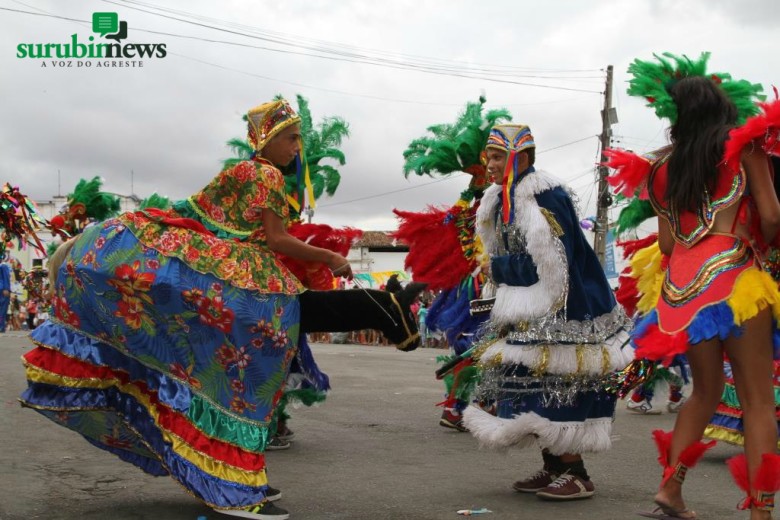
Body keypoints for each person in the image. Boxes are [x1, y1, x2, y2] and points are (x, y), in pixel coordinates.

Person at [20, 98, 424, 520]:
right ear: (266, 139)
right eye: (290, 138)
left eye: (298, 138)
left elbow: (194, 216)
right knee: (245, 385)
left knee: (264, 353)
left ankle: (228, 477)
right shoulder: (265, 173)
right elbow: (277, 240)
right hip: (244, 286)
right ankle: (235, 489)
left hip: (234, 279)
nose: (297, 147)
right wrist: (328, 256)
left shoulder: (241, 171)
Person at [607, 53, 780, 519]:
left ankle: (670, 489)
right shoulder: (746, 149)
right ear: (723, 109)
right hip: (737, 279)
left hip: (682, 292)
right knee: (758, 400)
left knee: (702, 393)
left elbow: (667, 243)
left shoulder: (660, 169)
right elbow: (772, 216)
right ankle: (761, 512)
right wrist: (757, 243)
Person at [462, 123, 633, 500]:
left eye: (495, 157)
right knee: (529, 384)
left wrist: (499, 270)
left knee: (558, 386)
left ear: (519, 158)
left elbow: (555, 265)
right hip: (527, 307)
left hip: (567, 308)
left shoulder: (544, 195)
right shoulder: (500, 197)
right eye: (488, 156)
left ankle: (576, 472)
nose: (488, 164)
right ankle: (554, 466)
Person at [0, 259, 10, 332]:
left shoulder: (3, 266)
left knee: (2, 310)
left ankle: (1, 326)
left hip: (2, 290)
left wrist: (6, 288)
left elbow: (6, 278)